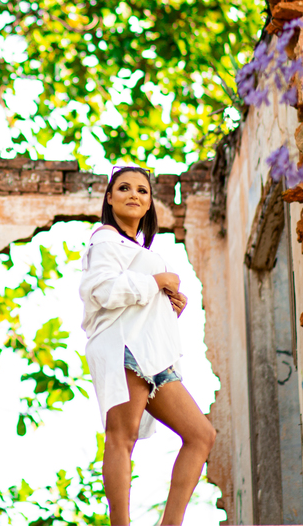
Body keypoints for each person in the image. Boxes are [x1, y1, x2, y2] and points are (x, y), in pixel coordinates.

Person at [79, 165, 215, 526]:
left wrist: (169, 308)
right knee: (122, 436)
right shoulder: (105, 237)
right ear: (109, 198)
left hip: (152, 357)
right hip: (124, 348)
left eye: (142, 190)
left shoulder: (132, 246)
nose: (134, 195)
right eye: (124, 188)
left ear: (150, 202)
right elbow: (102, 291)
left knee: (201, 435)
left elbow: (135, 300)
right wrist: (157, 280)